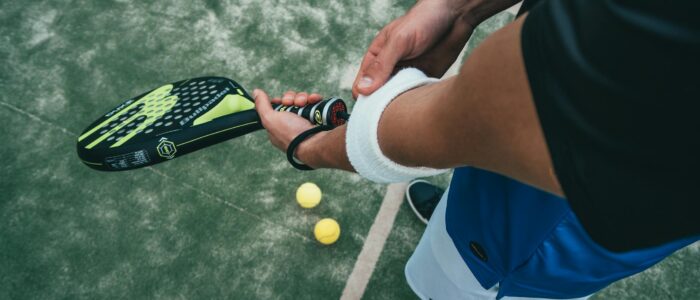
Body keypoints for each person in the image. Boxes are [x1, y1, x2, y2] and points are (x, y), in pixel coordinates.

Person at [252, 0, 700, 299]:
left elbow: (467, 122)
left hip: (536, 239)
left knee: (468, 279)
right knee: (473, 197)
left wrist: (308, 147)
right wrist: (456, 8)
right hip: (545, 163)